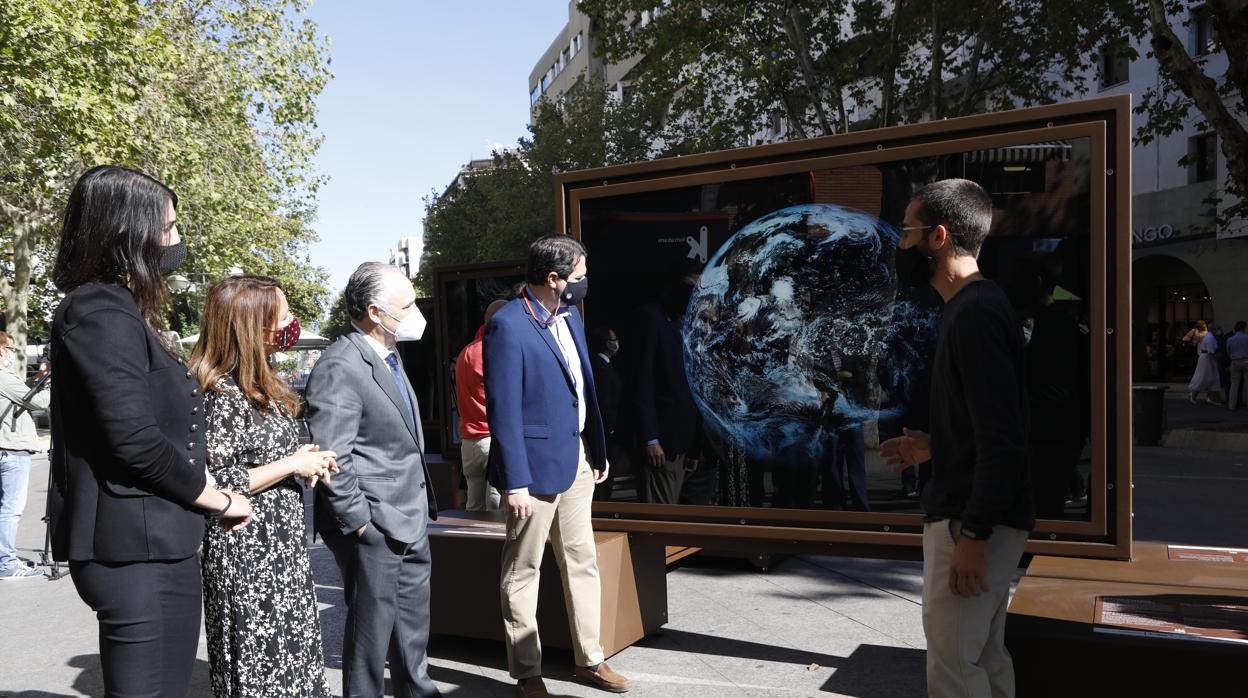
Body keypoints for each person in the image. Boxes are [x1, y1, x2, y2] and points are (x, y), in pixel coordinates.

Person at [48, 165, 253, 697]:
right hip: (130, 545)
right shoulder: (98, 311)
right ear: (127, 233)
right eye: (168, 228)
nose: (177, 241)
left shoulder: (124, 311)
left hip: (158, 539)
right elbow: (132, 438)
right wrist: (217, 498)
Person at [880, 179, 1033, 698]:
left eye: (908, 232)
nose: (901, 245)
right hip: (980, 517)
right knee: (984, 657)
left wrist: (973, 536)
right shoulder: (975, 307)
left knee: (954, 669)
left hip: (971, 522)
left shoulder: (974, 314)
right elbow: (987, 426)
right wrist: (933, 446)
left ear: (939, 236)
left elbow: (1003, 439)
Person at [485, 235, 630, 697]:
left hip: (578, 463)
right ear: (554, 279)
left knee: (581, 561)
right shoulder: (507, 325)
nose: (585, 283)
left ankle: (592, 660)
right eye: (580, 276)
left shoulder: (569, 317)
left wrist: (596, 452)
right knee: (523, 570)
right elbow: (503, 410)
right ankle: (528, 673)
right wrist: (516, 481)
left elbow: (582, 390)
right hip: (532, 475)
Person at [192, 275, 337, 698]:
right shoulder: (220, 391)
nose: (291, 322)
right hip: (246, 553)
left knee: (292, 662)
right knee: (260, 669)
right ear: (250, 325)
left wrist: (302, 460)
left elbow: (266, 459)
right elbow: (215, 481)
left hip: (280, 550)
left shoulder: (263, 382)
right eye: (284, 315)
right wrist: (291, 462)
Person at [305, 262, 440, 698]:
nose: (416, 312)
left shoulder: (390, 355)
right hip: (377, 526)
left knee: (411, 632)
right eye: (408, 305)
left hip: (410, 515)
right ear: (375, 312)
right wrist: (362, 523)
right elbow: (333, 454)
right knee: (371, 637)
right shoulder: (340, 365)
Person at [629, 260, 702, 505]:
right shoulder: (651, 318)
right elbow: (642, 380)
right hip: (660, 442)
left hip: (682, 442)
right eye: (691, 287)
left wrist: (693, 447)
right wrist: (650, 438)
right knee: (660, 514)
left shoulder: (684, 323)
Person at [0, 331, 50, 580]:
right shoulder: (3, 376)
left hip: (5, 448)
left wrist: (39, 378)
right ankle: (6, 564)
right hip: (11, 448)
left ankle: (4, 559)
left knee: (4, 508)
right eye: (11, 349)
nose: (13, 355)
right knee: (11, 509)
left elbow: (18, 399)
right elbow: (38, 403)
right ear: (0, 350)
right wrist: (53, 381)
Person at [454, 299, 508, 511]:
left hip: (468, 442)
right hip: (491, 438)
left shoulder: (466, 352)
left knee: (473, 506)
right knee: (495, 509)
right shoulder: (495, 351)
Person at [588, 326, 625, 501]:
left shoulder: (607, 365)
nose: (616, 343)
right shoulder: (600, 367)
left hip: (611, 430)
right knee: (604, 480)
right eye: (612, 339)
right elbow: (604, 400)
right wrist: (610, 428)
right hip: (606, 431)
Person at [1188, 324, 1223, 404]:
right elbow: (1212, 351)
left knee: (1210, 377)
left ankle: (1211, 397)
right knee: (1206, 377)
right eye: (1216, 329)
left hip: (1205, 358)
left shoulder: (1206, 336)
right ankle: (1194, 394)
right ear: (1213, 329)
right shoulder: (1210, 338)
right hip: (1208, 359)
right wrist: (1218, 359)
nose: (1218, 331)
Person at [1227, 321, 1248, 410]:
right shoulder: (1247, 338)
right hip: (1246, 361)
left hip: (1234, 361)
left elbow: (1228, 351)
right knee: (1247, 384)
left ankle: (1232, 405)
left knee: (1234, 385)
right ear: (1243, 328)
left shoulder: (1230, 339)